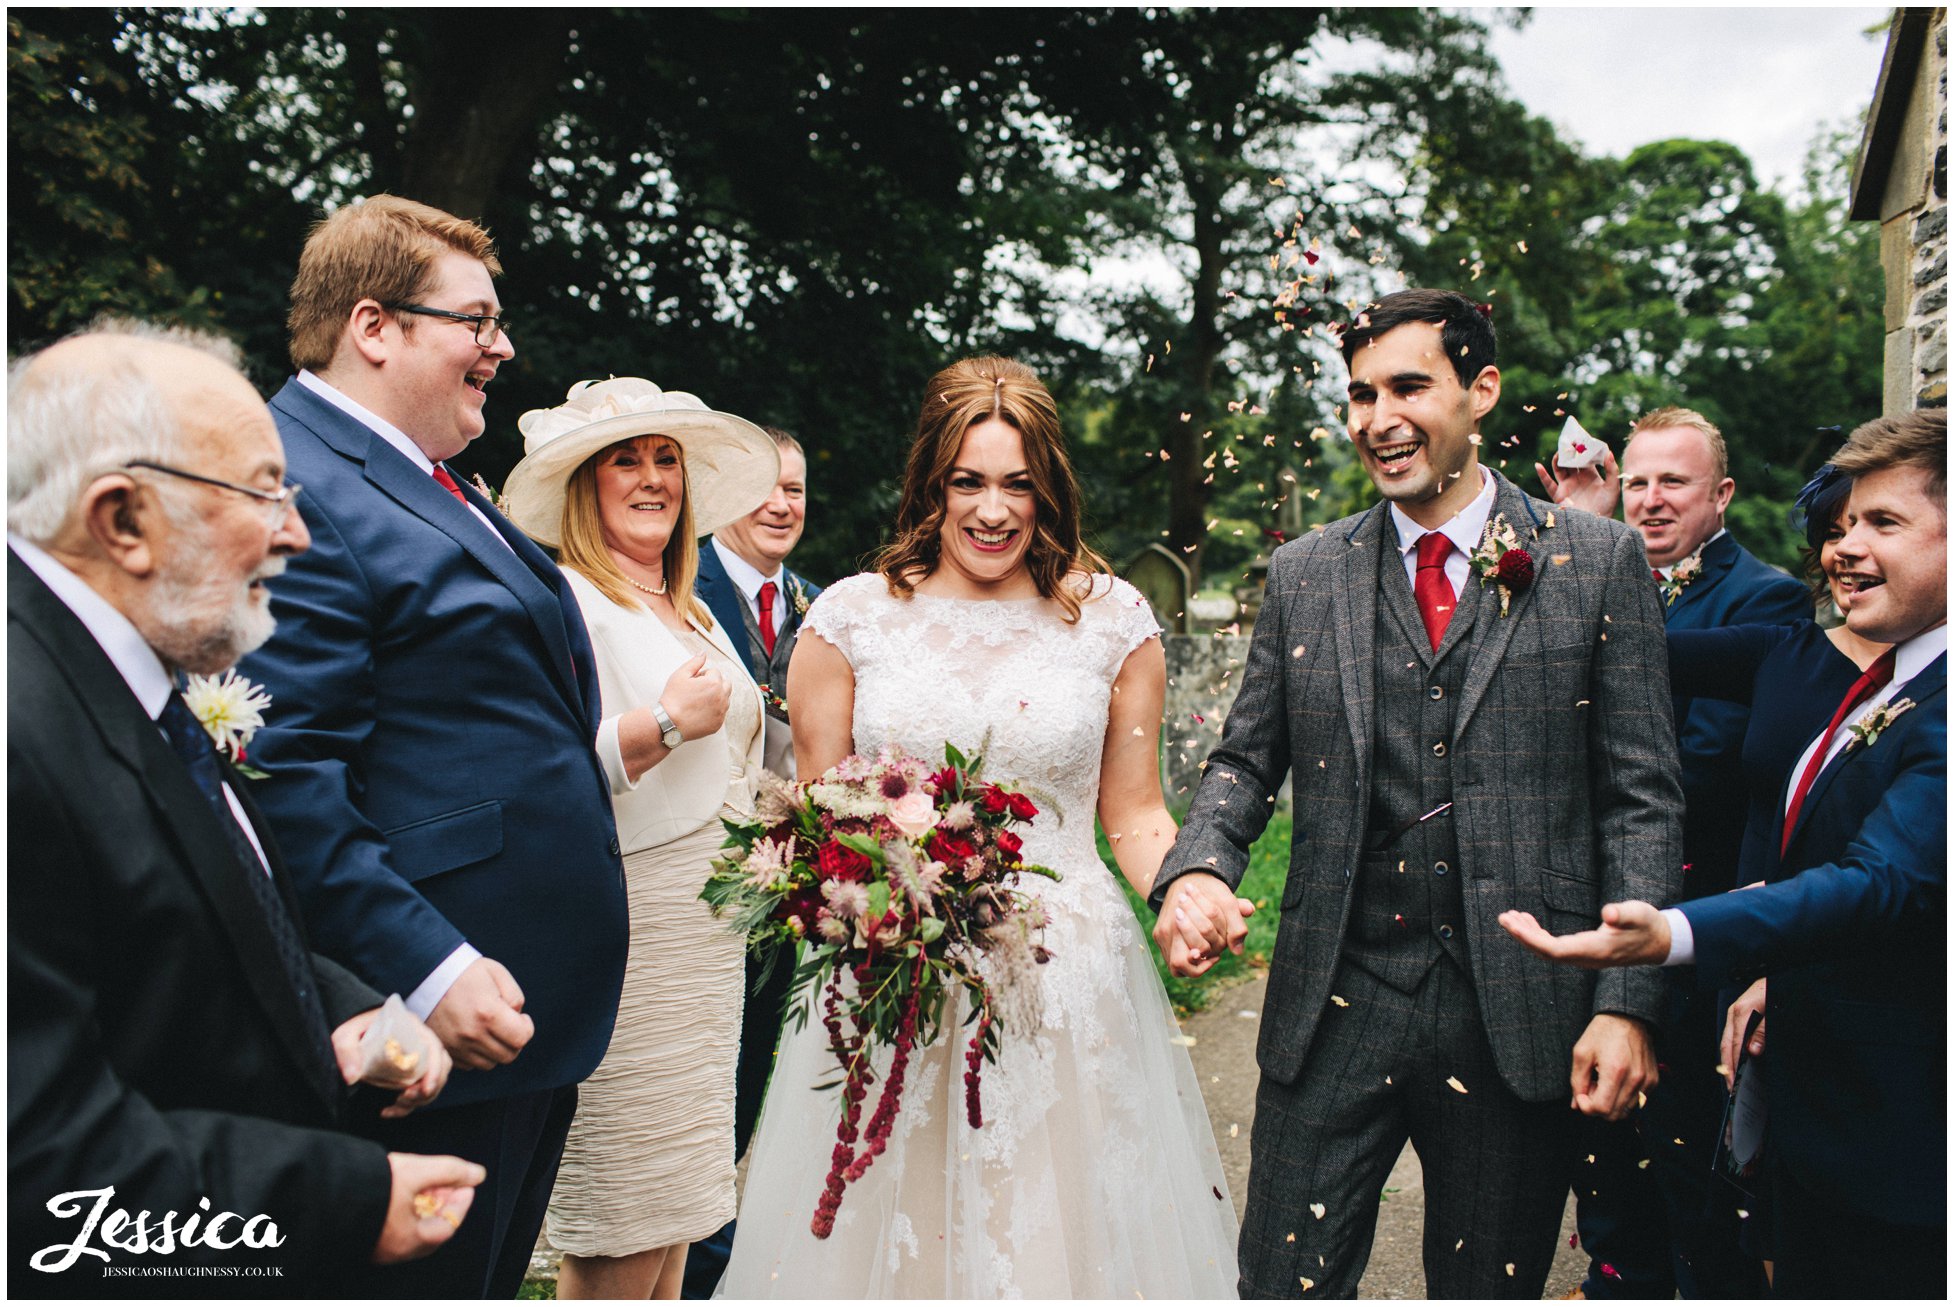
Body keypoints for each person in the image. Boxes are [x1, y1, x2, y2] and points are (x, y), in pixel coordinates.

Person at [1157, 289, 1683, 1299]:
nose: (1377, 418)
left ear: (1480, 390)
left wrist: (1626, 1002)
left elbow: (1641, 798)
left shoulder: (1595, 561)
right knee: (1279, 1283)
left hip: (1517, 1012)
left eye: (1407, 385)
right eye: (1360, 394)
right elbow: (1241, 760)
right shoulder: (1306, 571)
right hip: (1332, 1002)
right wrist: (1197, 868)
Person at [718, 356, 1240, 1297]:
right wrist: (872, 912)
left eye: (1018, 484)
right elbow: (820, 822)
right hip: (893, 986)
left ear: (1049, 489)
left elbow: (1135, 814)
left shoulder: (1114, 620)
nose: (992, 510)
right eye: (968, 481)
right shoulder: (849, 621)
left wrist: (1186, 888)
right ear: (931, 482)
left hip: (1064, 979)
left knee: (1052, 1246)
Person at [8, 321, 479, 1293]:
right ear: (123, 521)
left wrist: (338, 1012)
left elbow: (177, 919)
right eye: (263, 488)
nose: (296, 530)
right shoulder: (17, 737)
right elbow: (39, 1172)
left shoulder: (128, 668)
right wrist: (343, 1200)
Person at [237, 195, 630, 1297]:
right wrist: (430, 963)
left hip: (511, 1015)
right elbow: (285, 775)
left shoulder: (418, 472)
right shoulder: (299, 483)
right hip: (420, 1025)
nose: (501, 346)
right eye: (476, 319)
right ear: (375, 326)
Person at [1501, 408, 1946, 1300]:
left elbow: (1883, 879)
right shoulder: (1870, 676)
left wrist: (1671, 932)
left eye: (1882, 523)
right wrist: (1577, 536)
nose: (1844, 547)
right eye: (1842, 525)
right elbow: (1631, 656)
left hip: (1904, 1128)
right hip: (1816, 1099)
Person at [497, 377, 776, 1298]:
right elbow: (538, 774)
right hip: (636, 931)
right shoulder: (568, 600)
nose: (653, 478)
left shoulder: (688, 608)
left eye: (667, 460)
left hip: (711, 939)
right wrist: (661, 721)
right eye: (628, 460)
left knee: (678, 1222)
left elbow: (733, 758)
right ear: (586, 484)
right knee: (623, 1222)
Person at [1538, 406, 1805, 1299]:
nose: (1652, 502)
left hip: (1696, 927)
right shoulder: (1589, 571)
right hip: (1583, 922)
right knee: (1602, 1163)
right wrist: (1586, 536)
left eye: (1674, 483)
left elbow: (1712, 764)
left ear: (1721, 494)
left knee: (1693, 1174)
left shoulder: (1764, 602)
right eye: (1639, 482)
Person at [682, 424, 820, 1299]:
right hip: (689, 881)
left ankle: (714, 1256)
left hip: (782, 891)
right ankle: (687, 1260)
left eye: (797, 490)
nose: (781, 504)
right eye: (764, 485)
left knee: (749, 1068)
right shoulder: (674, 585)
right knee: (692, 1079)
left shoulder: (819, 603)